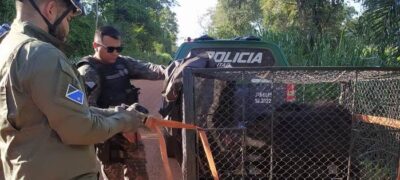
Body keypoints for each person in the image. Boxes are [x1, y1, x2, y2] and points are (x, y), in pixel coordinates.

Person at [0, 0, 149, 179]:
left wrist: (113, 113)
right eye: (69, 19)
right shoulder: (42, 55)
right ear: (51, 9)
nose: (68, 28)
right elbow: (81, 129)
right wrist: (125, 121)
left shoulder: (7, 46)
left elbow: (56, 112)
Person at [77, 25, 165, 180]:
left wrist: (173, 70)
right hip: (107, 136)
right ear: (96, 46)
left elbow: (150, 69)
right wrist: (121, 127)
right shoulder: (88, 72)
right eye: (110, 49)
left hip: (130, 130)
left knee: (140, 175)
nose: (116, 53)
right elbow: (88, 110)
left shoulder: (122, 62)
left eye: (119, 49)